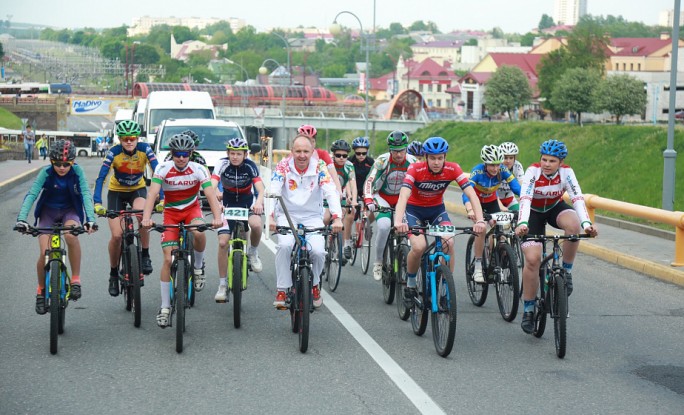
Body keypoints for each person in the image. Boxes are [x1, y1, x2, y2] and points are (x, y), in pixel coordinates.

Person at [515, 139, 599, 334]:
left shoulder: (567, 173)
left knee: (574, 225)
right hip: (532, 213)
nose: (546, 164)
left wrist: (587, 224)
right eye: (544, 159)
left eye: (552, 161)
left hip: (554, 208)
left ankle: (567, 272)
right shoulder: (532, 172)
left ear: (561, 162)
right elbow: (525, 199)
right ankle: (528, 309)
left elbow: (577, 198)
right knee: (533, 260)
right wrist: (522, 224)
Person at [141, 133, 223, 328]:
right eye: (177, 153)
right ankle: (165, 307)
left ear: (191, 153)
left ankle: (198, 266)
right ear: (172, 153)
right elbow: (152, 194)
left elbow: (210, 195)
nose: (181, 158)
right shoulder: (163, 168)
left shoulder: (198, 169)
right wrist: (146, 217)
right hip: (171, 213)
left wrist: (218, 217)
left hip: (191, 210)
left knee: (198, 232)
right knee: (168, 259)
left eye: (185, 154)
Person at [394, 137, 486, 300]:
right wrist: (398, 221)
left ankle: (445, 286)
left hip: (437, 211)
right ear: (426, 157)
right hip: (414, 211)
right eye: (432, 158)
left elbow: (471, 194)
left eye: (440, 158)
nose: (436, 162)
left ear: (445, 157)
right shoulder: (415, 169)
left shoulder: (453, 168)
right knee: (418, 247)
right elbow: (403, 196)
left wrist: (479, 220)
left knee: (448, 242)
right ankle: (411, 282)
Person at [15, 139, 97, 314]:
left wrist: (90, 219)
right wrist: (22, 219)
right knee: (45, 253)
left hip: (70, 211)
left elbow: (85, 193)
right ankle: (40, 290)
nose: (62, 167)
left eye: (67, 164)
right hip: (48, 213)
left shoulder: (77, 172)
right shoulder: (45, 173)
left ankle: (75, 279)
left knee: (70, 235)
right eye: (58, 164)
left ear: (73, 162)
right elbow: (32, 195)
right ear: (51, 162)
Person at [269, 134, 343, 309]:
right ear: (292, 151)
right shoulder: (283, 166)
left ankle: (315, 285)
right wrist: (270, 216)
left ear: (312, 152)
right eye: (298, 151)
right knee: (285, 246)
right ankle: (282, 289)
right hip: (287, 215)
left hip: (312, 217)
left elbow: (330, 191)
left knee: (317, 251)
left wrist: (337, 217)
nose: (302, 155)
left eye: (306, 151)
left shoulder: (320, 167)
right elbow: (273, 189)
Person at [93, 120, 160, 297]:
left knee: (142, 216)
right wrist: (97, 203)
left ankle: (145, 255)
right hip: (116, 193)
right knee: (116, 236)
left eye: (132, 138)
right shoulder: (113, 153)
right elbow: (101, 178)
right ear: (120, 140)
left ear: (137, 138)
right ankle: (113, 274)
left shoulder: (145, 149)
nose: (129, 142)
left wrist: (162, 198)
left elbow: (158, 172)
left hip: (137, 190)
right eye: (124, 139)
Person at [210, 137, 265, 303]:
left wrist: (259, 203)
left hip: (247, 203)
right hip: (227, 204)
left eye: (238, 154)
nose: (235, 157)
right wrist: (216, 203)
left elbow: (260, 189)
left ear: (245, 154)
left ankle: (253, 253)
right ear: (228, 153)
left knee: (256, 225)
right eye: (232, 153)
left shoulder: (250, 166)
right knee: (222, 243)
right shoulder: (222, 164)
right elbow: (211, 186)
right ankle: (222, 285)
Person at [463, 144, 521, 283]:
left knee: (501, 229)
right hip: (476, 202)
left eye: (497, 165)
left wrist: (527, 202)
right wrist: (470, 208)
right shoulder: (477, 172)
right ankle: (477, 266)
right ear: (485, 164)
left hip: (491, 202)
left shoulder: (503, 170)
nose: (495, 169)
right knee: (481, 228)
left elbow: (517, 188)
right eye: (491, 165)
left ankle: (496, 260)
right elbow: (467, 193)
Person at [363, 130, 417, 281]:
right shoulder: (382, 161)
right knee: (384, 226)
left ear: (406, 148)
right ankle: (378, 262)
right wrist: (368, 199)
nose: (398, 154)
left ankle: (408, 256)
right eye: (394, 151)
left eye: (401, 151)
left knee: (408, 228)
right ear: (389, 150)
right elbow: (369, 181)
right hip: (382, 197)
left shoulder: (413, 162)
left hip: (402, 199)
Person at [328, 139, 357, 259]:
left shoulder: (349, 166)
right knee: (325, 218)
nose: (341, 158)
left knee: (350, 212)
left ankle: (346, 244)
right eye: (338, 155)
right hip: (326, 195)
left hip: (340, 194)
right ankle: (323, 240)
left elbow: (353, 184)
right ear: (333, 155)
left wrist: (354, 200)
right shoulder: (328, 164)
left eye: (344, 155)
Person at [297, 124, 343, 196]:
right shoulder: (293, 156)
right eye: (306, 141)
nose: (310, 145)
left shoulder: (323, 154)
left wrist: (339, 191)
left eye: (312, 141)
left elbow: (333, 174)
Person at [497, 142, 524, 211]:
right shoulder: (495, 166)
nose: (508, 161)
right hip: (495, 199)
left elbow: (522, 184)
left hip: (510, 199)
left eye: (511, 158)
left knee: (519, 215)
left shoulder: (518, 166)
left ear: (515, 158)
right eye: (505, 158)